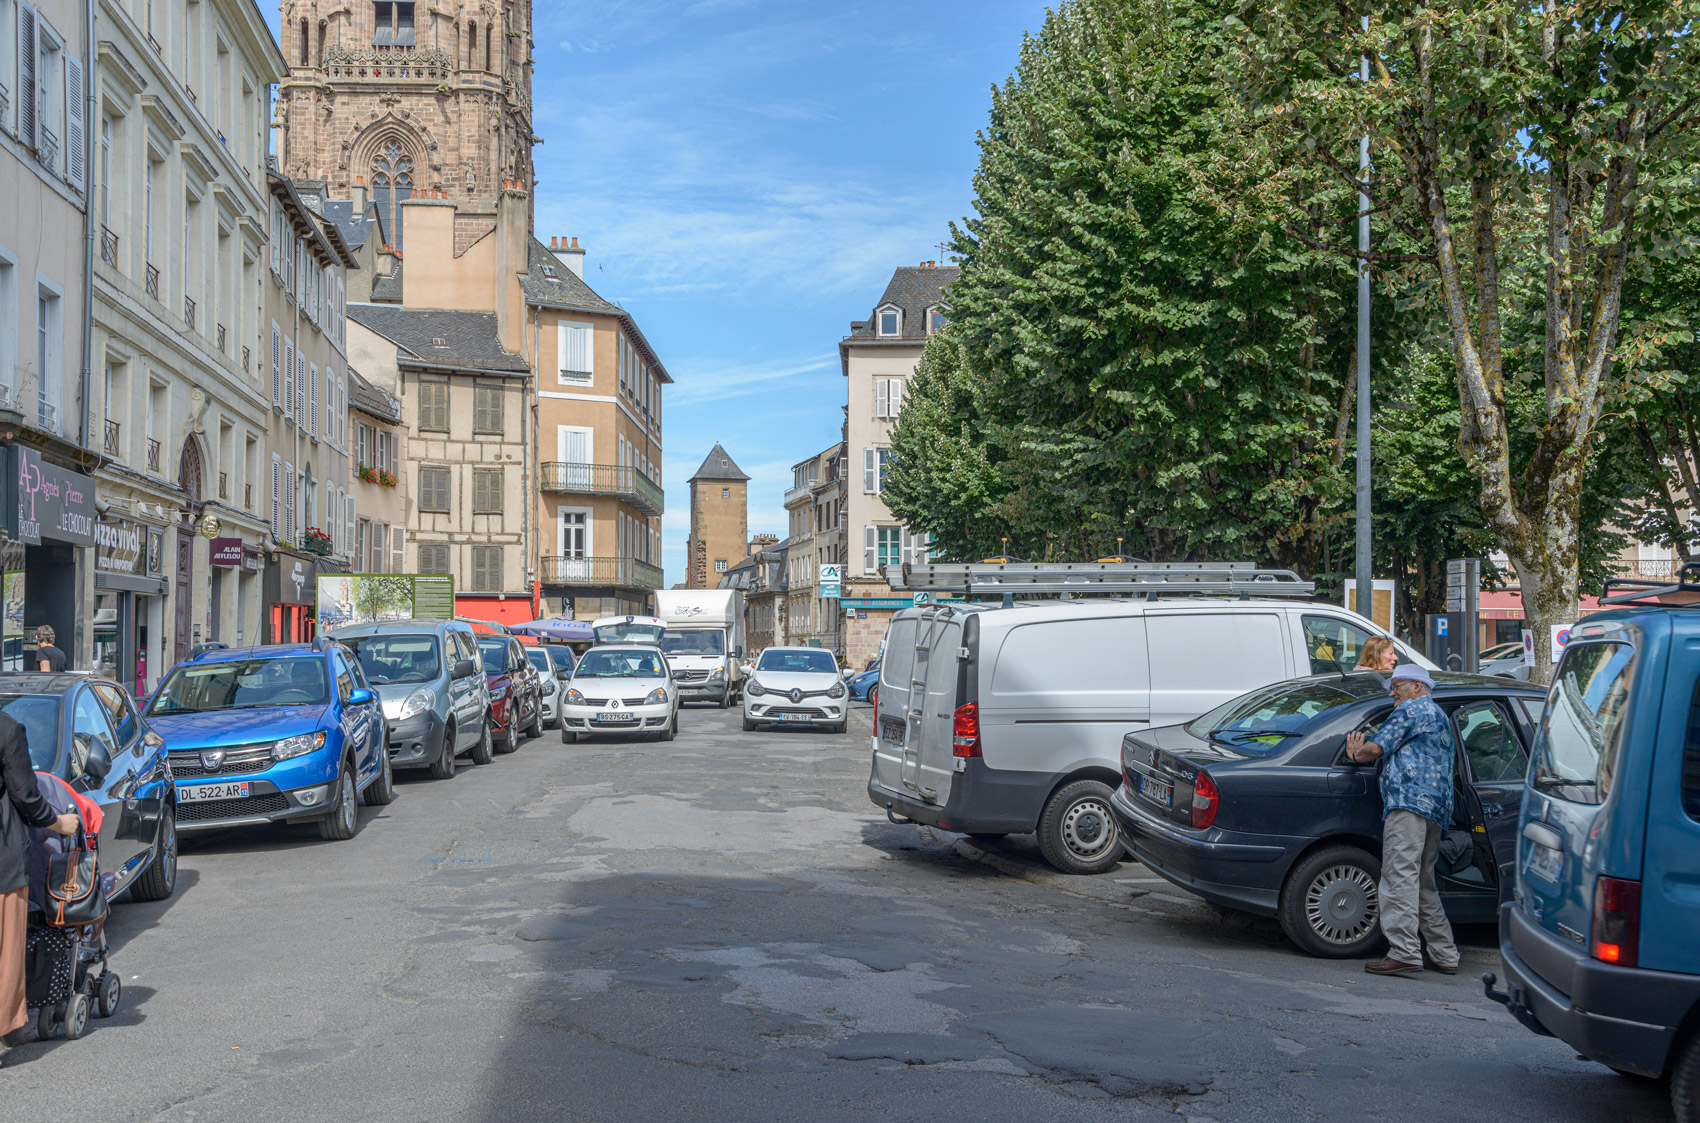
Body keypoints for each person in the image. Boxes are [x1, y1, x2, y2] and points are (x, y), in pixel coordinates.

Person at [1344, 664, 1461, 978]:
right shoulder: (1437, 715)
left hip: (1408, 802)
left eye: (1398, 685)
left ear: (1418, 687)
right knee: (1422, 881)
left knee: (1398, 875)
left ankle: (1404, 952)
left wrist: (1355, 753)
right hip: (1436, 806)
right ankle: (1444, 953)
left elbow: (1374, 748)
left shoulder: (1410, 710)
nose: (1393, 692)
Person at [1, 710, 79, 1053]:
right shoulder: (6, 728)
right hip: (2, 860)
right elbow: (26, 796)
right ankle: (7, 1024)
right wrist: (59, 822)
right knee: (7, 948)